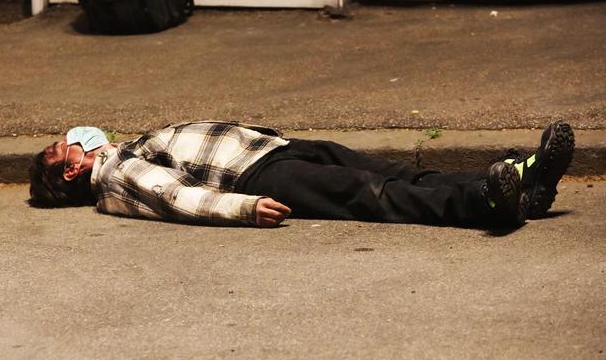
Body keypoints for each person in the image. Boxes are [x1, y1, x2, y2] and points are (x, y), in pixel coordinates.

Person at [29, 120, 575, 229]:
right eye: (64, 147)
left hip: (275, 150)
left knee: (393, 170)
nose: (74, 137)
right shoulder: (117, 176)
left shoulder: (124, 150)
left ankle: (527, 180)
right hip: (259, 177)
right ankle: (486, 202)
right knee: (375, 194)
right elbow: (177, 197)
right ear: (73, 170)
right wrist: (242, 208)